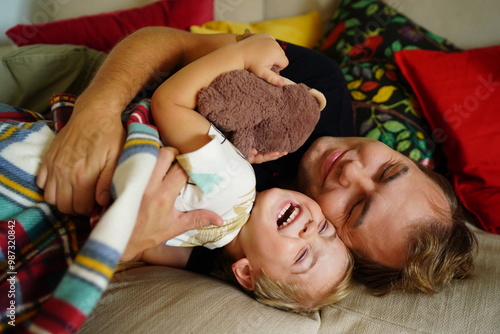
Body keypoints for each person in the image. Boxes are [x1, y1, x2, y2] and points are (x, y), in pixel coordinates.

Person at [35, 27, 476, 296]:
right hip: (92, 77)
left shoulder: (260, 243)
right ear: (409, 159)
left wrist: (127, 244)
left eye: (356, 208)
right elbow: (167, 43)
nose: (351, 170)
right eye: (388, 170)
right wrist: (95, 113)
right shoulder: (320, 87)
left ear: (346, 251)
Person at [132, 33, 353, 313]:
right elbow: (143, 246)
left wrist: (243, 55)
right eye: (324, 228)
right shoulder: (208, 238)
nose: (311, 230)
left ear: (246, 274)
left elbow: (169, 103)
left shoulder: (235, 183)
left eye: (302, 256)